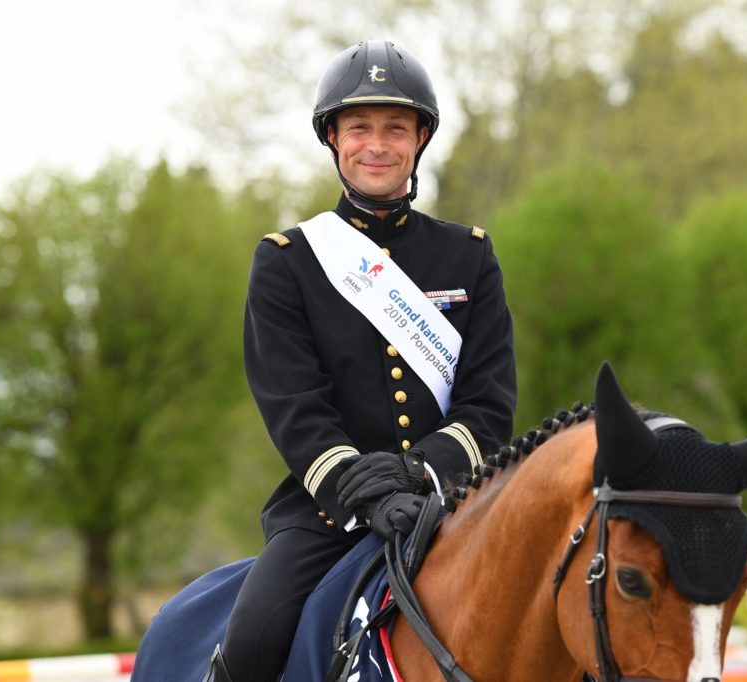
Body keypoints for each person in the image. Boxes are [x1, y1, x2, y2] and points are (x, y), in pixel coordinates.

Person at [204, 40, 517, 682]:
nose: (378, 144)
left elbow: (488, 406)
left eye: (396, 128)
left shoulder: (470, 257)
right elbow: (293, 407)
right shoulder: (288, 261)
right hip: (327, 512)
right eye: (360, 128)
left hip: (453, 500)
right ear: (334, 141)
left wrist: (419, 474)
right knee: (253, 641)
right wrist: (365, 494)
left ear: (420, 139)